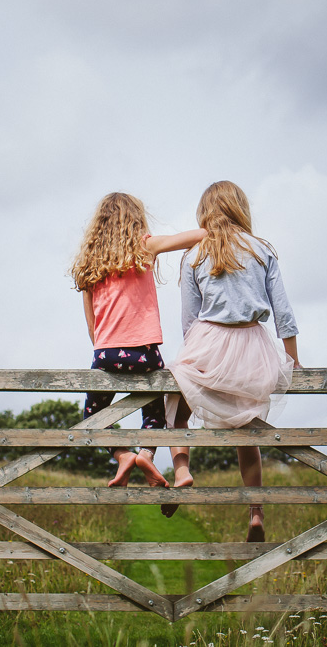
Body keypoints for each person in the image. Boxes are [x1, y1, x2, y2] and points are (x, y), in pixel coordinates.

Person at [164, 181, 301, 542]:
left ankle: (181, 470)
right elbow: (283, 312)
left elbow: (189, 321)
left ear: (204, 212)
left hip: (209, 340)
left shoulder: (194, 255)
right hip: (254, 344)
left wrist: (197, 360)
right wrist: (293, 360)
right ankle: (255, 513)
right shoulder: (262, 250)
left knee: (176, 404)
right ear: (241, 207)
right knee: (247, 430)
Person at [71, 192, 206, 488]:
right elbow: (196, 236)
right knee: (155, 413)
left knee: (91, 419)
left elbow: (92, 328)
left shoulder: (89, 265)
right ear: (136, 221)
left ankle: (121, 455)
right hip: (144, 354)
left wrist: (106, 349)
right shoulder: (144, 247)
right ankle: (146, 453)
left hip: (105, 353)